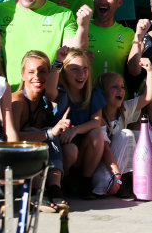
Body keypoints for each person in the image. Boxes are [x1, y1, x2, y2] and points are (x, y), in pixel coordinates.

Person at [0, 0, 90, 90]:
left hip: (48, 98)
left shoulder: (63, 15)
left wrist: (83, 26)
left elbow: (75, 54)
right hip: (10, 97)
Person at [12, 50, 72, 212]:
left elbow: (53, 90)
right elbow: (12, 139)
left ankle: (54, 187)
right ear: (22, 75)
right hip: (11, 166)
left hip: (36, 165)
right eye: (31, 72)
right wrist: (49, 133)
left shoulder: (44, 102)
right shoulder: (17, 101)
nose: (37, 76)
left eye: (43, 71)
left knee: (69, 148)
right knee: (47, 133)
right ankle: (35, 191)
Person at [49, 47, 106, 200]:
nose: (81, 75)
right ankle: (62, 181)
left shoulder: (93, 93)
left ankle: (85, 182)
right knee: (70, 150)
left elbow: (96, 122)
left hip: (83, 149)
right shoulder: (59, 93)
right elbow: (49, 91)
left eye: (85, 69)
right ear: (64, 71)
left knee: (97, 134)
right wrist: (58, 62)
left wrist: (75, 130)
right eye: (74, 69)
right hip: (63, 150)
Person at [91, 62, 152, 197]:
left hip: (117, 166)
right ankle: (116, 180)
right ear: (102, 92)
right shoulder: (98, 114)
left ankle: (125, 180)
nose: (121, 90)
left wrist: (149, 71)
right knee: (103, 183)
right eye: (115, 87)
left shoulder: (124, 109)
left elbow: (148, 97)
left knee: (126, 134)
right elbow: (106, 150)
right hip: (102, 167)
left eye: (122, 87)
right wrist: (116, 174)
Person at [88, 0, 134, 83]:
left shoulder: (129, 34)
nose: (103, 1)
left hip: (117, 97)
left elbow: (134, 71)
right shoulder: (81, 27)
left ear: (119, 2)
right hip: (87, 97)